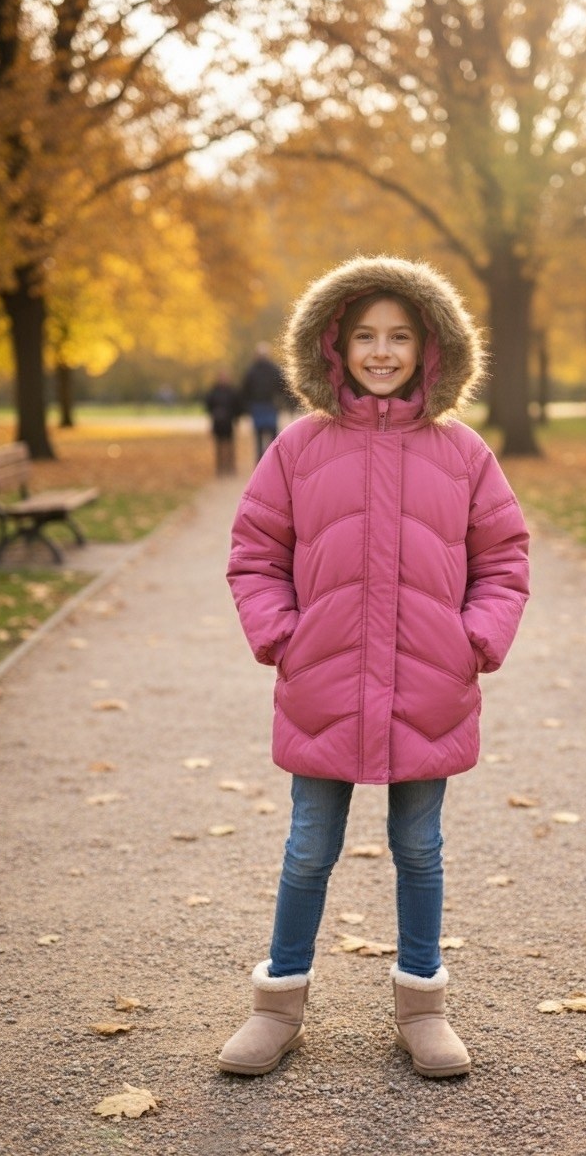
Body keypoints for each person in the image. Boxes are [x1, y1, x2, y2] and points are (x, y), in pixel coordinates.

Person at [220, 256, 530, 1079]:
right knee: (308, 847)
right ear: (335, 347)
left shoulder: (463, 453)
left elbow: (503, 557)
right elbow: (256, 552)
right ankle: (277, 1003)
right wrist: (284, 635)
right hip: (323, 679)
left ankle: (422, 1005)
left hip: (430, 682)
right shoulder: (298, 448)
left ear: (430, 348)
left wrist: (475, 640)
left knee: (419, 847)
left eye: (399, 335)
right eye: (365, 336)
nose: (382, 351)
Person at [240, 342, 288, 462]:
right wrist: (281, 402)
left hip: (260, 407)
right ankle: (273, 462)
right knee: (272, 437)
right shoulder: (273, 369)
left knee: (259, 438)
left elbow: (245, 391)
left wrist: (247, 408)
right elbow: (283, 387)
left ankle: (261, 463)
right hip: (268, 406)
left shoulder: (251, 371)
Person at [204, 371, 242, 475]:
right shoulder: (214, 391)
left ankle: (230, 467)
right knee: (219, 446)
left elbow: (237, 407)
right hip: (218, 422)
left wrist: (237, 420)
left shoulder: (232, 392)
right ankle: (220, 468)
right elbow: (208, 406)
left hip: (228, 422)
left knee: (230, 446)